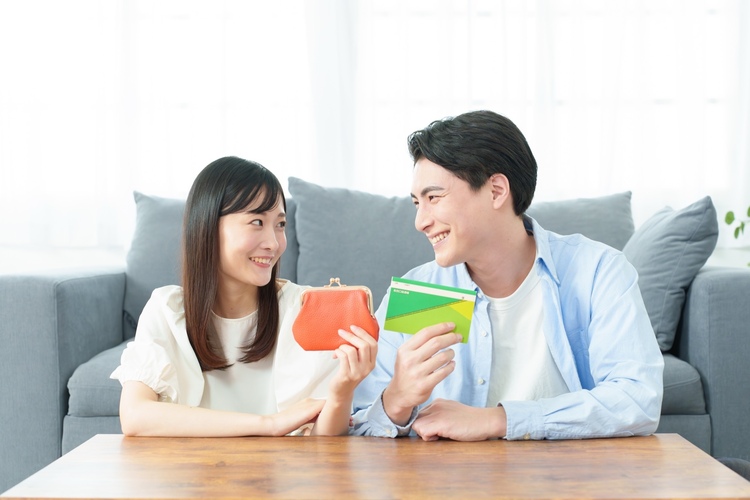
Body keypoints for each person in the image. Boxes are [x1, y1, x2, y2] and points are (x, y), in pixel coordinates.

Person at [351, 110, 664, 441]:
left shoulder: (596, 272)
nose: (421, 222)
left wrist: (498, 420)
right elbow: (359, 426)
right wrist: (396, 401)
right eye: (417, 203)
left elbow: (637, 400)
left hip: (572, 470)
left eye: (434, 198)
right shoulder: (421, 293)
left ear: (497, 191)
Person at [111, 156, 377, 437]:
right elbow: (134, 417)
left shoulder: (303, 309)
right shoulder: (167, 309)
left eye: (280, 224)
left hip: (281, 466)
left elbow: (323, 441)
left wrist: (342, 392)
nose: (273, 243)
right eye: (257, 222)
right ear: (208, 227)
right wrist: (269, 424)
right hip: (194, 465)